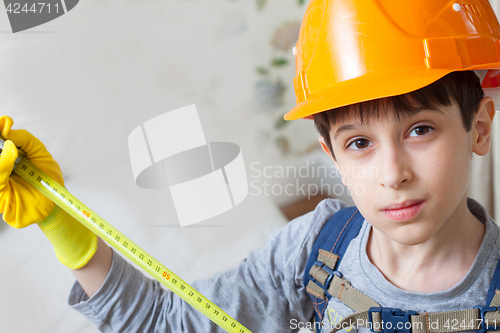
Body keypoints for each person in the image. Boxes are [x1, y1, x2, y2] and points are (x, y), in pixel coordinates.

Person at [2, 0, 500, 332]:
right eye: (360, 143)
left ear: (478, 128)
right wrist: (57, 220)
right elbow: (164, 321)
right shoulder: (314, 248)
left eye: (420, 130)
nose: (393, 173)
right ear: (332, 157)